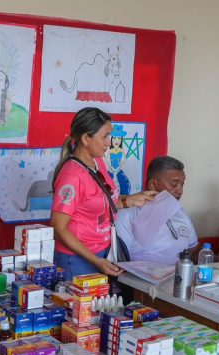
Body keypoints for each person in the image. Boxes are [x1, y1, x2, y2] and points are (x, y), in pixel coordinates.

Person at [50, 107, 155, 277]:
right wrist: (95, 260)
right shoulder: (72, 176)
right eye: (105, 136)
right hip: (78, 259)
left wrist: (131, 201)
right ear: (85, 138)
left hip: (103, 253)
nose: (109, 142)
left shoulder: (98, 161)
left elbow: (100, 203)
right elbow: (58, 227)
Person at [115, 156, 199, 264]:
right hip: (141, 278)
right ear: (153, 184)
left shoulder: (180, 213)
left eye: (182, 184)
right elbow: (121, 261)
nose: (180, 191)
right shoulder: (127, 215)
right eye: (174, 184)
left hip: (178, 277)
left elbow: (194, 251)